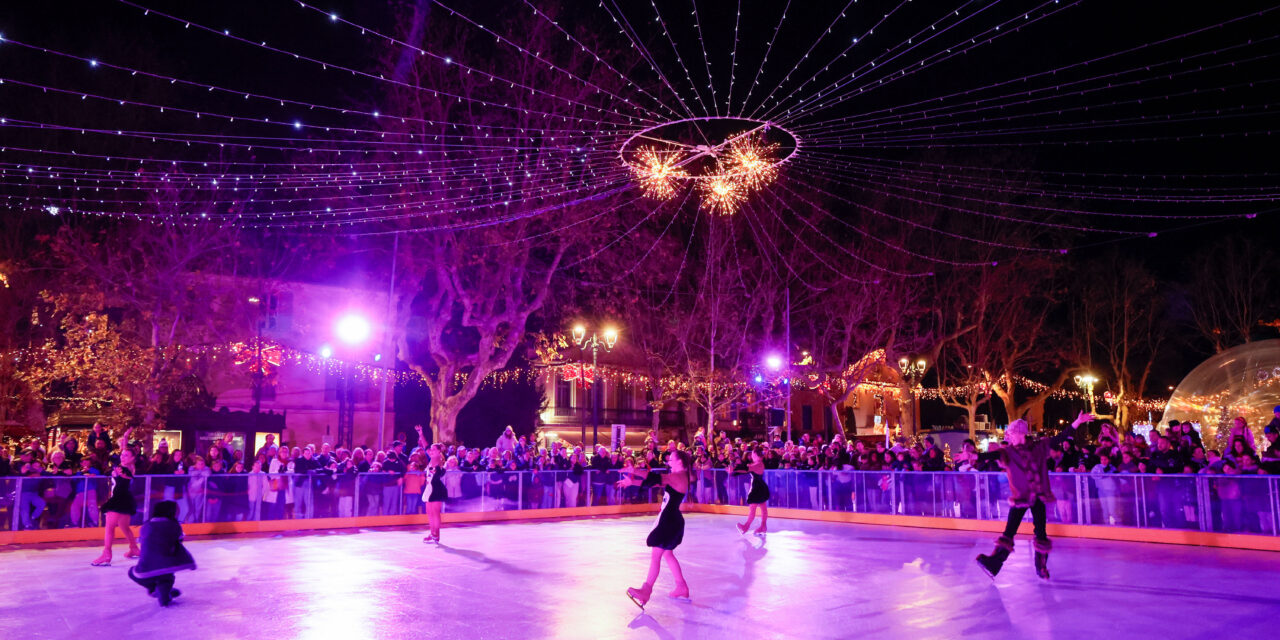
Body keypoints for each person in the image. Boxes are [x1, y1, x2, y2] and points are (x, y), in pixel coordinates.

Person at [975, 412, 1094, 581]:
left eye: (1011, 433)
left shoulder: (1040, 447)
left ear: (1021, 433)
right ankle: (994, 564)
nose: (1009, 437)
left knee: (1041, 533)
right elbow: (992, 455)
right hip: (1021, 498)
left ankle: (1041, 566)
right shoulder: (1008, 452)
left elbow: (1060, 437)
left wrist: (1077, 421)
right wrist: (973, 456)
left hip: (1038, 496)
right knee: (1009, 532)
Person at [615, 449, 693, 609]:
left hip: (669, 521)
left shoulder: (678, 476)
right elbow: (656, 482)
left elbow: (656, 478)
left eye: (671, 459)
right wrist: (633, 482)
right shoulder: (680, 477)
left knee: (656, 556)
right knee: (668, 554)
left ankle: (646, 590)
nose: (668, 462)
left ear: (680, 462)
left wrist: (634, 470)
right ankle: (681, 586)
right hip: (673, 519)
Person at [127, 500, 196, 607]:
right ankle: (163, 594)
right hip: (166, 564)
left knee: (133, 573)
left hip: (146, 564)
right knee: (166, 577)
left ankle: (154, 588)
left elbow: (143, 542)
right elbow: (178, 541)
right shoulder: (174, 525)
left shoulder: (146, 525)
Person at [92, 427, 140, 566]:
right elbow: (124, 449)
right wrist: (125, 436)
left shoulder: (129, 467)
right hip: (124, 499)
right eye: (122, 454)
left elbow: (126, 471)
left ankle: (107, 554)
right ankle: (134, 548)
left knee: (109, 527)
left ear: (132, 458)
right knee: (124, 527)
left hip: (119, 499)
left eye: (126, 455)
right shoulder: (123, 463)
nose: (122, 456)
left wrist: (119, 472)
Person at [417, 426, 447, 544]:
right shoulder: (433, 458)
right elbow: (425, 446)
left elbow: (439, 471)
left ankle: (436, 534)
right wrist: (421, 434)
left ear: (439, 451)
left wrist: (437, 470)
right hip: (430, 487)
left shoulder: (438, 458)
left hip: (436, 489)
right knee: (429, 512)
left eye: (434, 449)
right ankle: (432, 532)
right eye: (431, 450)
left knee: (435, 513)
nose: (431, 450)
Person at [736, 445, 770, 535]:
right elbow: (747, 469)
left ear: (755, 454)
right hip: (760, 486)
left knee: (753, 508)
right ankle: (763, 526)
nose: (751, 456)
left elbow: (746, 469)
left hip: (757, 488)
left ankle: (746, 526)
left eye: (752, 454)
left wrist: (734, 471)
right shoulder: (758, 463)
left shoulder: (758, 463)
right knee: (763, 508)